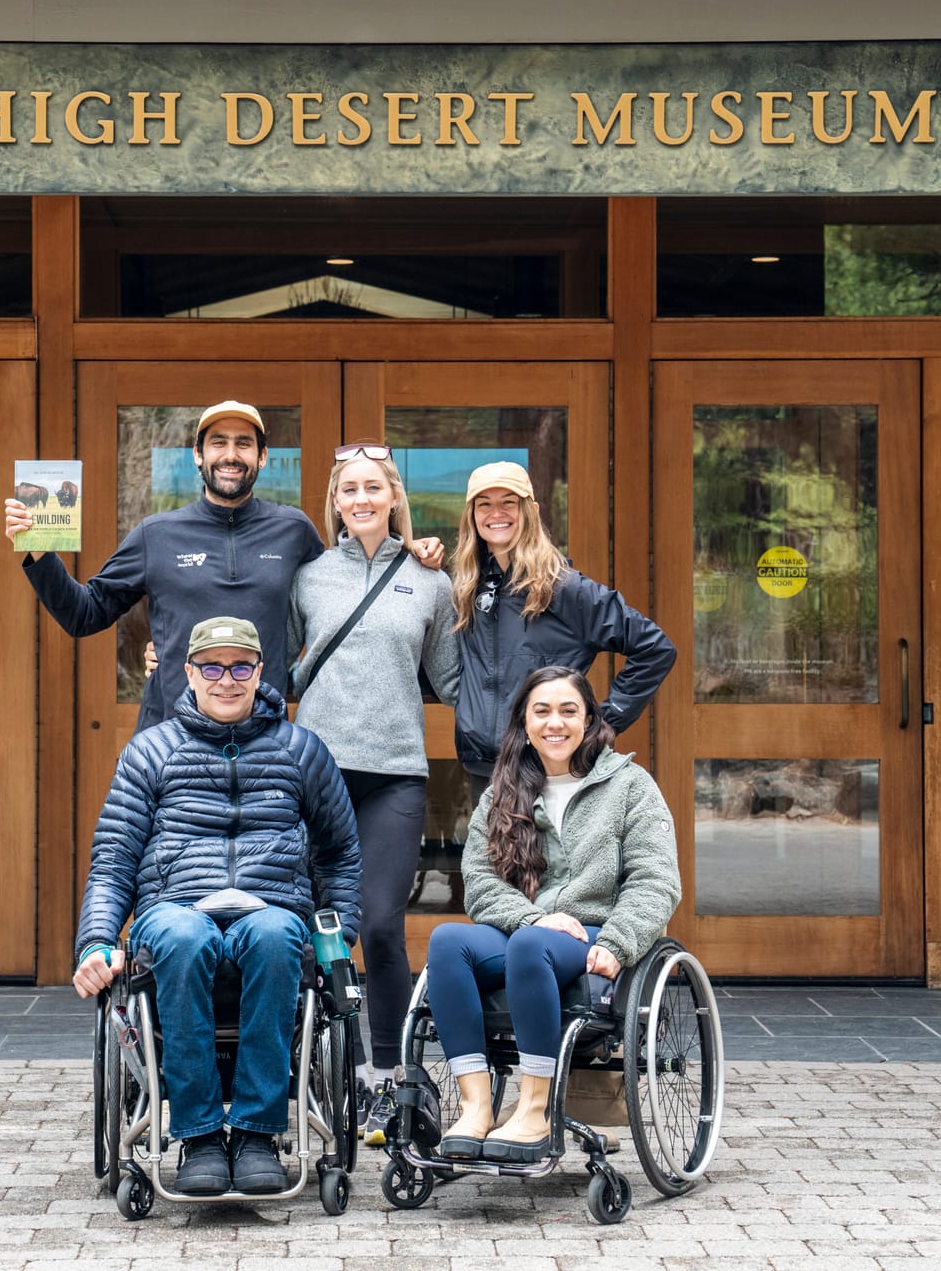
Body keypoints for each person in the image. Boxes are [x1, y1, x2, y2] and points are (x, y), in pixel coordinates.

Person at [70, 616, 361, 1197]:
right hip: (175, 907)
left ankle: (256, 1134)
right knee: (180, 938)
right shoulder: (150, 752)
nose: (226, 680)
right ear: (190, 673)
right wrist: (97, 943)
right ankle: (200, 1136)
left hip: (271, 909)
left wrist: (340, 934)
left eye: (239, 667)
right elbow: (113, 861)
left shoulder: (301, 750)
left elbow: (340, 852)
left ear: (259, 672)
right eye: (212, 667)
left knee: (280, 936)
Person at [5, 401, 442, 732]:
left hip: (263, 736)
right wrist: (39, 552)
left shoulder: (293, 531)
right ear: (198, 455)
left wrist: (409, 555)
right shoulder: (157, 534)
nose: (230, 454)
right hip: (172, 735)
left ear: (262, 456)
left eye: (243, 444)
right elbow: (84, 614)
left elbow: (348, 589)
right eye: (218, 442)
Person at [424, 665, 682, 1163]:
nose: (554, 723)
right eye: (541, 711)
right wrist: (530, 917)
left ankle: (534, 1108)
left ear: (589, 720)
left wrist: (619, 940)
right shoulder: (503, 791)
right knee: (447, 942)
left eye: (568, 710)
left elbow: (656, 879)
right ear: (525, 720)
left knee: (528, 945)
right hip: (528, 931)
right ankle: (477, 1106)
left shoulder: (629, 786)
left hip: (592, 934)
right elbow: (479, 882)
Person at [286, 441, 460, 1147]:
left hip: (394, 775)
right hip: (315, 775)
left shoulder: (431, 580)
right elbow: (279, 668)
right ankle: (320, 1073)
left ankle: (385, 1079)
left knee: (382, 926)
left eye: (373, 487)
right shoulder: (307, 578)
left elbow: (453, 679)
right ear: (335, 500)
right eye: (348, 488)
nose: (360, 498)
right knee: (320, 933)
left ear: (393, 496)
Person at [451, 460, 676, 798]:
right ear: (471, 516)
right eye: (485, 504)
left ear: (531, 510)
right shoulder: (469, 587)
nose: (496, 513)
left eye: (508, 502)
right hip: (484, 769)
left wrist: (598, 723)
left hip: (547, 769)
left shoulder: (563, 587)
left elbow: (655, 648)